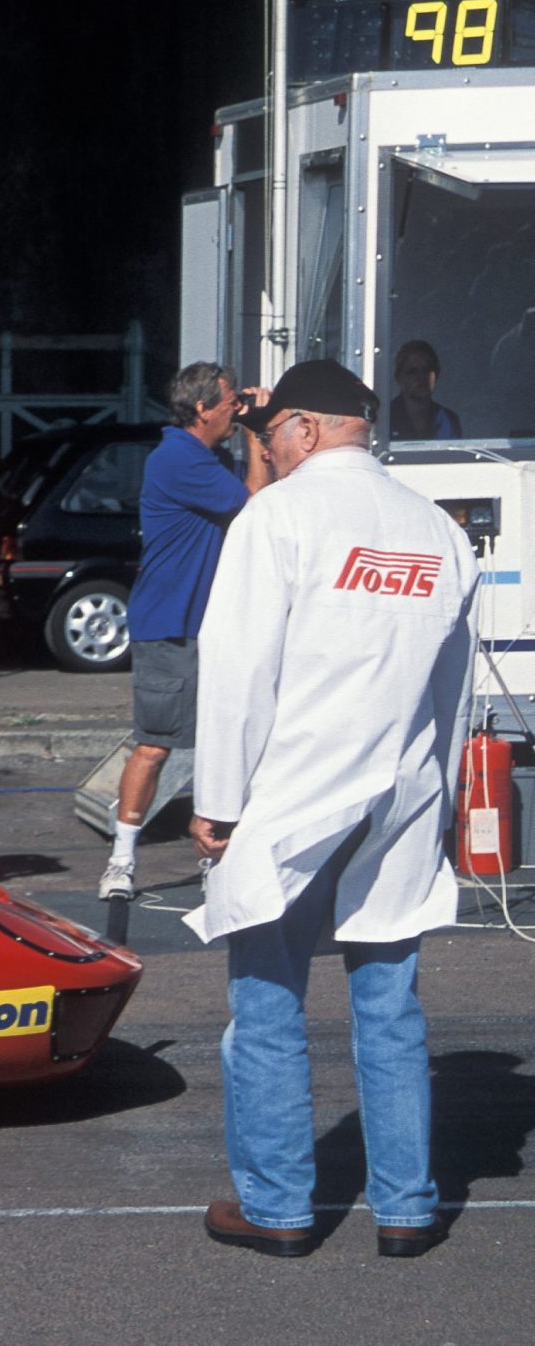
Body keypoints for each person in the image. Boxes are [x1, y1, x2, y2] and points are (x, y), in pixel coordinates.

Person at [188, 359, 477, 1261]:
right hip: (402, 788)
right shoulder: (438, 531)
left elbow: (237, 668)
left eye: (271, 431)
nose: (267, 448)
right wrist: (440, 806)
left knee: (268, 998)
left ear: (309, 428)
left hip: (295, 791)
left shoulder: (279, 515)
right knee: (388, 1001)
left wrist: (219, 804)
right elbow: (455, 694)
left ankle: (276, 1205)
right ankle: (406, 1206)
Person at [96, 363, 271, 900]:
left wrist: (247, 425)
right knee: (155, 746)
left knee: (226, 742)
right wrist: (256, 426)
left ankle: (219, 853)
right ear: (202, 409)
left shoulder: (203, 456)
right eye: (228, 402)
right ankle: (121, 861)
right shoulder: (178, 457)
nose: (235, 408)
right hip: (172, 624)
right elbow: (254, 504)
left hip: (209, 623)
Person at [385, 339, 463, 441]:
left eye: (427, 371)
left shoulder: (448, 420)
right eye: (412, 372)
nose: (421, 377)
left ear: (436, 375)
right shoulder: (385, 420)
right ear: (399, 378)